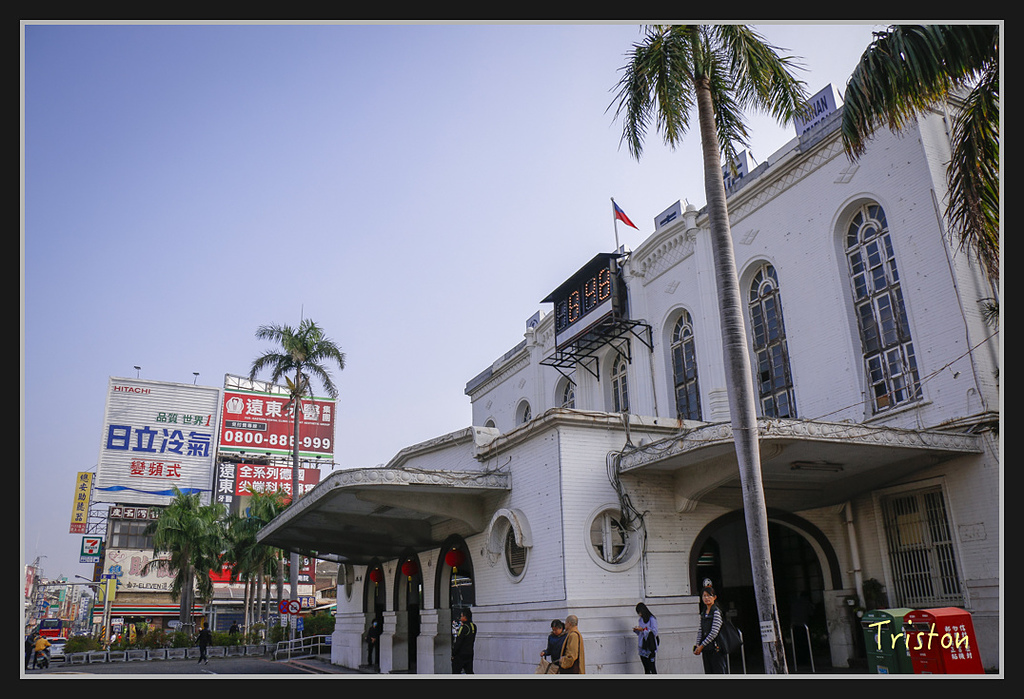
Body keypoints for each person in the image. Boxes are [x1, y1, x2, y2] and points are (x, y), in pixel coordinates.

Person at [694, 586, 727, 674]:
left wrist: (702, 645)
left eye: (709, 596)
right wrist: (698, 644)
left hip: (716, 648)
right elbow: (701, 629)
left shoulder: (716, 612)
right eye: (704, 596)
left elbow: (714, 632)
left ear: (714, 597)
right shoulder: (704, 613)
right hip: (706, 649)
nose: (706, 598)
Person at [633, 602, 659, 674]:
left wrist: (644, 630)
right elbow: (641, 634)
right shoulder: (640, 620)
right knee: (646, 669)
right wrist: (637, 630)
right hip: (642, 646)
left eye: (640, 612)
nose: (639, 614)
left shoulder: (652, 619)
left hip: (650, 646)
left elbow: (654, 632)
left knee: (652, 668)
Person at [451, 608, 476, 674]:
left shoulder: (464, 627)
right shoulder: (473, 626)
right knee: (469, 671)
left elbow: (459, 641)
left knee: (456, 671)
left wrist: (453, 653)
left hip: (460, 654)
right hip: (469, 653)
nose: (460, 618)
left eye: (462, 616)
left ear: (465, 617)